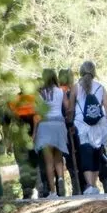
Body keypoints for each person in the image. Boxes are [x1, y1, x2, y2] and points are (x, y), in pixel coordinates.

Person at [69, 60, 107, 194]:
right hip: (98, 125)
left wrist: (70, 124)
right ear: (94, 72)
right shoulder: (100, 87)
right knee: (96, 153)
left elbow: (71, 108)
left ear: (81, 72)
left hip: (81, 125)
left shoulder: (76, 87)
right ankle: (94, 185)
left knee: (85, 153)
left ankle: (89, 185)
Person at [35, 69, 69, 198]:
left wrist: (34, 132)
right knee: (58, 157)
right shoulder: (61, 91)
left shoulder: (39, 94)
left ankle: (53, 191)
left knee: (48, 162)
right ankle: (60, 179)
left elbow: (38, 113)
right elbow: (67, 107)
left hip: (45, 125)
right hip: (59, 124)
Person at [7, 87, 41, 199]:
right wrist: (35, 135)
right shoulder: (34, 98)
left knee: (23, 164)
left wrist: (9, 141)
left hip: (19, 137)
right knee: (34, 162)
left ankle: (27, 191)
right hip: (33, 136)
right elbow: (37, 118)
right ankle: (39, 189)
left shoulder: (13, 100)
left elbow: (10, 122)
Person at [59, 68, 86, 194]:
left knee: (70, 157)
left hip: (65, 127)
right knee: (80, 155)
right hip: (77, 125)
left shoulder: (58, 91)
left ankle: (77, 184)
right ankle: (83, 184)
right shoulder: (77, 89)